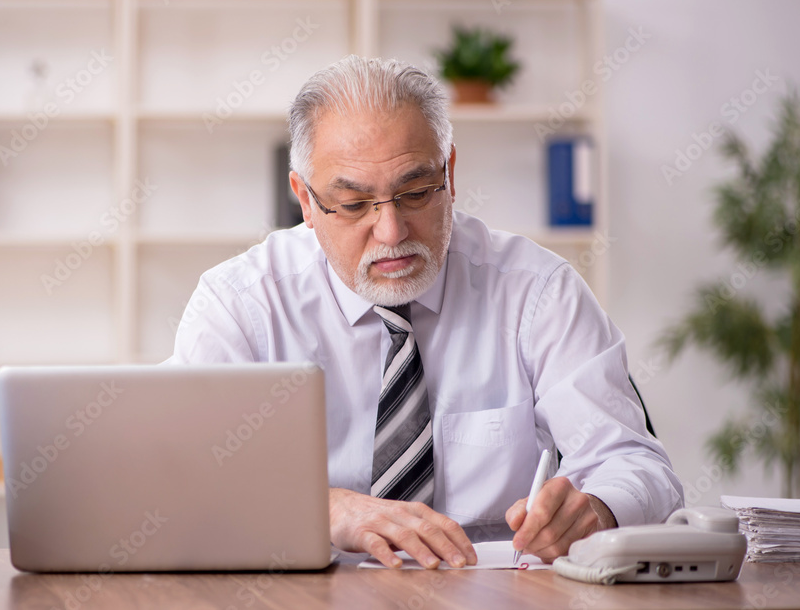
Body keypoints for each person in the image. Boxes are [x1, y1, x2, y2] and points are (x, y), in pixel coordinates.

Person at [169, 55, 683, 569]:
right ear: (305, 199)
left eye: (415, 194)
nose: (391, 232)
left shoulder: (537, 292)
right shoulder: (240, 304)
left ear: (450, 174)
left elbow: (637, 465)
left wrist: (597, 511)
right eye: (352, 205)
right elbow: (178, 482)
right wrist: (324, 509)